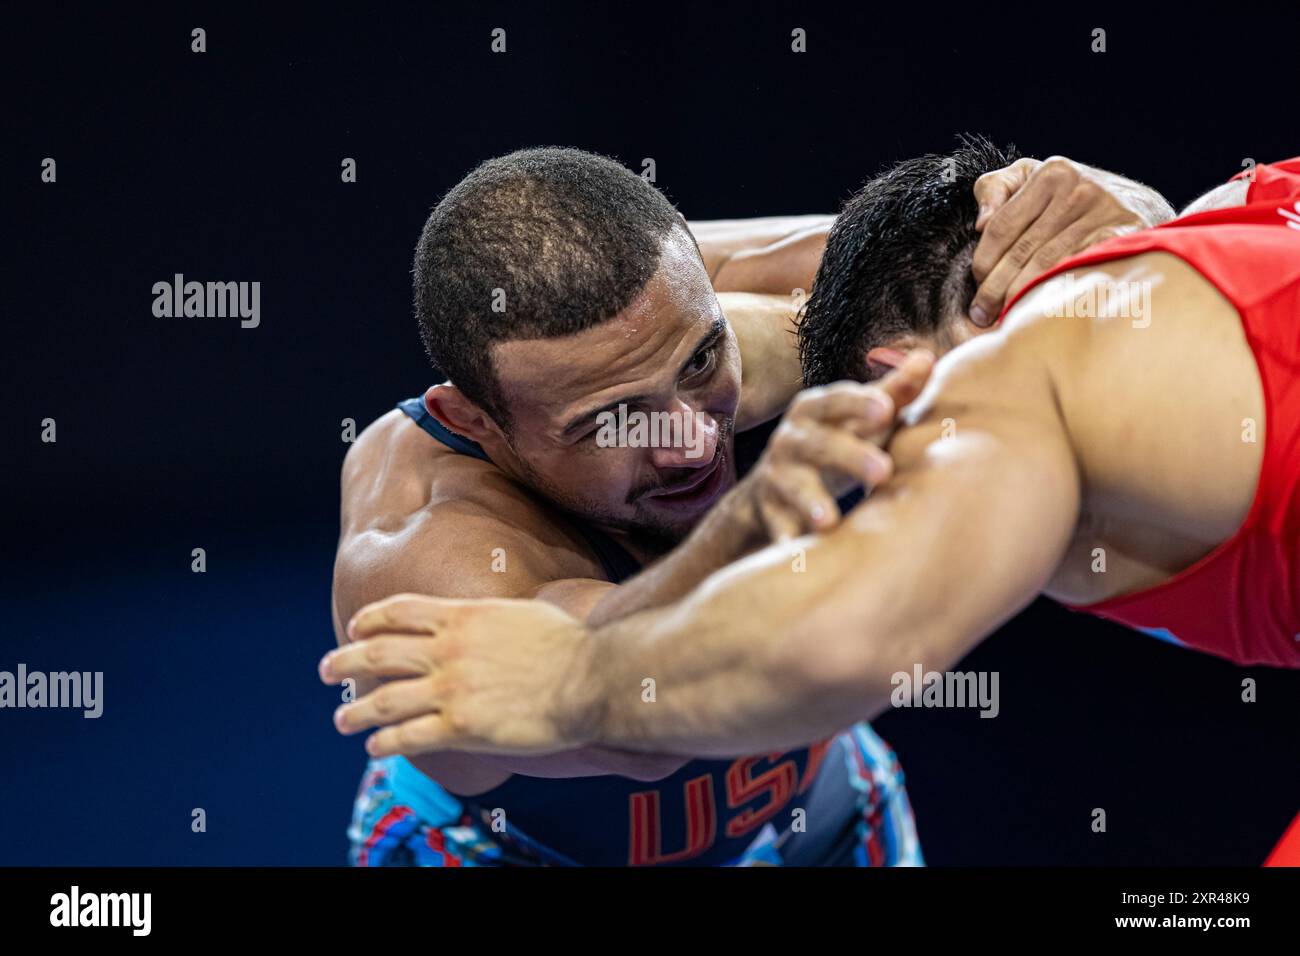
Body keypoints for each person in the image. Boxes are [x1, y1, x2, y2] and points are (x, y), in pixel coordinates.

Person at [328, 144, 1173, 864]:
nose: (693, 443)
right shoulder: (422, 551)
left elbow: (1119, 253)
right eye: (608, 425)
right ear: (472, 419)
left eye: (701, 366)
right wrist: (753, 517)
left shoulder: (734, 313)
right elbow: (636, 716)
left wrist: (1115, 208)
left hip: (820, 817)